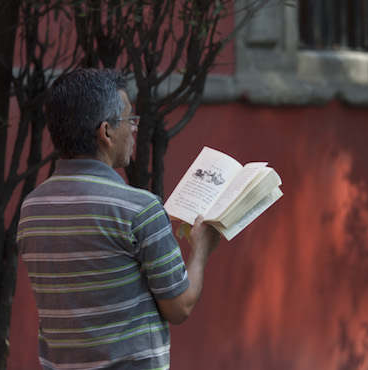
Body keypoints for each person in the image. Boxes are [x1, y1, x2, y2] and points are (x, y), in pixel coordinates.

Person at [16, 68, 221, 370]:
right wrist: (201, 248)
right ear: (106, 132)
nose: (135, 128)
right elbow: (180, 307)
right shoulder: (139, 209)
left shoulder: (32, 208)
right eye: (129, 119)